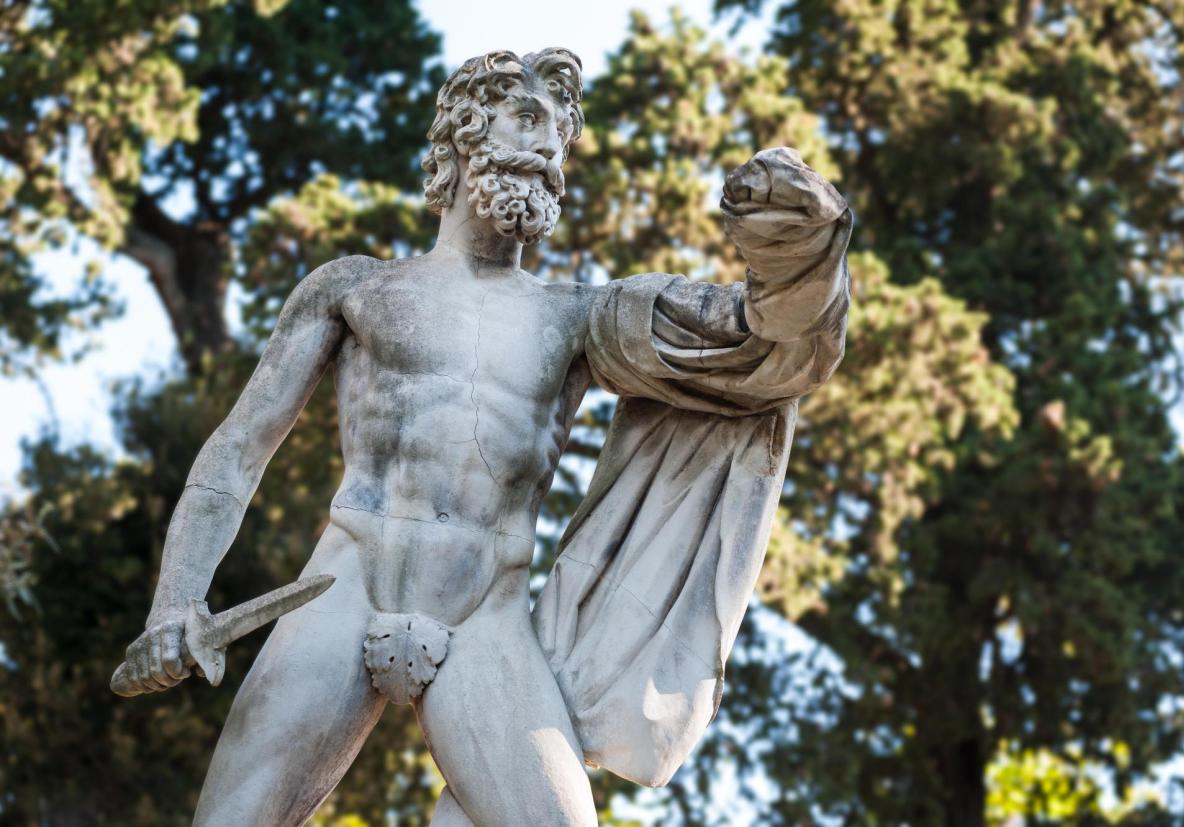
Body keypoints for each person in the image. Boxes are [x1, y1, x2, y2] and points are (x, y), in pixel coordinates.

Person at [115, 47, 852, 826]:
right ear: (467, 128)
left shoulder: (577, 316)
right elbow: (238, 449)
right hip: (344, 587)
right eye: (528, 119)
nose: (547, 148)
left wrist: (797, 242)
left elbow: (751, 342)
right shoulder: (357, 288)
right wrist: (174, 603)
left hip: (485, 619)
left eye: (561, 136)